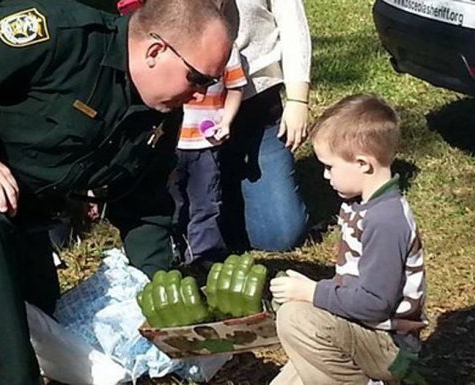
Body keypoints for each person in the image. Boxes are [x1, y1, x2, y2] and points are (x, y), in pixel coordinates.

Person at [0, 0, 232, 384]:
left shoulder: (158, 114)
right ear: (155, 51)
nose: (201, 94)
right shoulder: (63, 37)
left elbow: (145, 204)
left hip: (19, 205)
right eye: (199, 78)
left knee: (32, 322)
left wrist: (157, 293)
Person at [269, 95, 428, 384]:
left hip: (387, 343)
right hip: (363, 330)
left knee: (296, 319)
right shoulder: (360, 204)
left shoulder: (386, 221)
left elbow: (375, 304)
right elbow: (354, 282)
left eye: (329, 167)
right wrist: (313, 291)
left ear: (363, 164)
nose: (325, 176)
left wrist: (311, 292)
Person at [220, 0, 312, 252]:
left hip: (257, 107)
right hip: (194, 114)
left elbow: (293, 27)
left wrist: (297, 99)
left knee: (278, 236)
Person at [170, 40, 247, 265]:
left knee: (207, 201)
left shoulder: (224, 45)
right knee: (171, 200)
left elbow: (235, 87)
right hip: (171, 142)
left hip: (206, 142)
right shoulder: (172, 40)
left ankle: (204, 254)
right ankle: (171, 247)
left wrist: (226, 121)